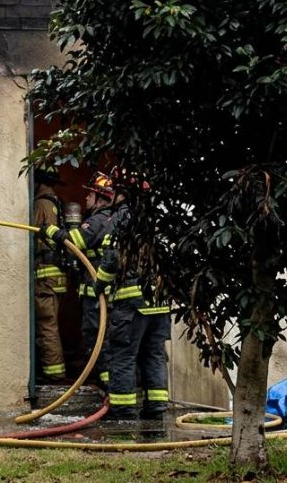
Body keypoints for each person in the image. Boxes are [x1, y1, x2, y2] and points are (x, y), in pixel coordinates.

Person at [92, 167, 170, 420]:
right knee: (154, 355)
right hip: (159, 302)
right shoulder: (158, 216)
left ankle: (124, 410)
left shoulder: (124, 217)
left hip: (131, 302)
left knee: (123, 356)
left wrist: (100, 282)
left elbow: (113, 256)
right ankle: (156, 408)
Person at [40, 171, 120, 388]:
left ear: (101, 198)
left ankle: (107, 387)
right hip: (100, 291)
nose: (86, 199)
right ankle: (109, 386)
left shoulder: (97, 220)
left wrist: (53, 232)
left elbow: (75, 243)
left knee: (98, 340)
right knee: (104, 340)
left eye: (90, 195)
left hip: (97, 292)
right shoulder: (113, 218)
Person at [33, 169, 67, 382]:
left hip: (45, 277)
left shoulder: (41, 204)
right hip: (58, 277)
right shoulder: (56, 203)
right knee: (52, 323)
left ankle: (54, 375)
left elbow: (32, 233)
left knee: (47, 325)